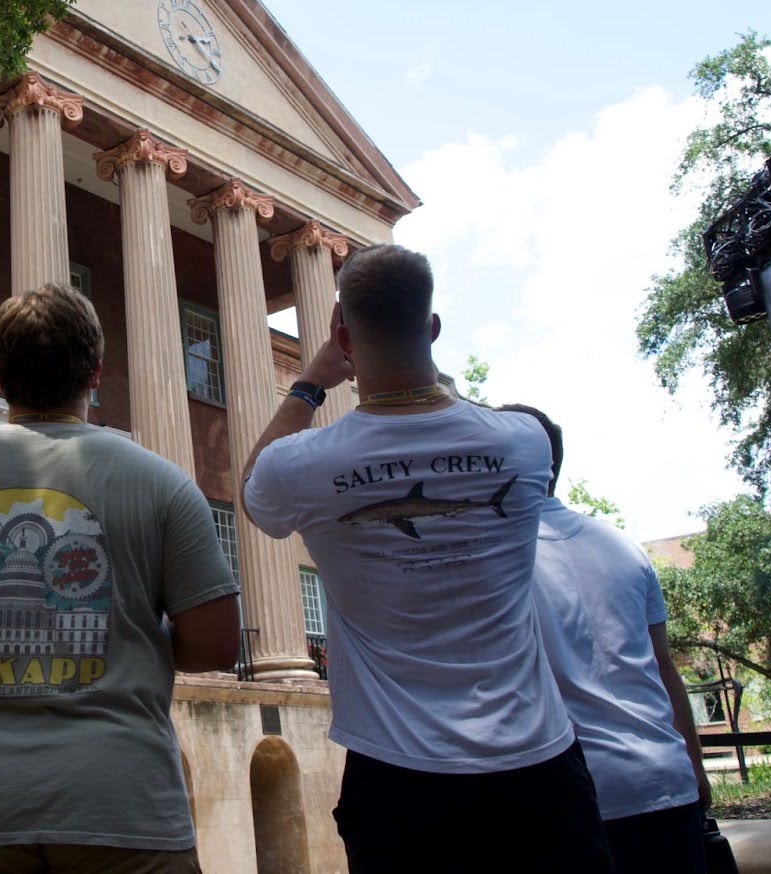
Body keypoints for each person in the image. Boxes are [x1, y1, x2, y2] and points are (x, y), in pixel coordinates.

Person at [242, 244, 611, 873]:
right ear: (433, 327)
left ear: (343, 338)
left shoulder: (303, 465)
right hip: (538, 766)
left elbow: (253, 490)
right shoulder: (523, 443)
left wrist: (309, 383)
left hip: (397, 778)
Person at [0, 283, 241, 874]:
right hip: (124, 805)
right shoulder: (163, 483)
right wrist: (120, 640)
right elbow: (215, 644)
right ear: (96, 373)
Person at [500, 402, 712, 874]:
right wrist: (694, 765)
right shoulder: (624, 547)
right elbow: (664, 665)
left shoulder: (499, 559)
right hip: (666, 780)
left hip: (573, 796)